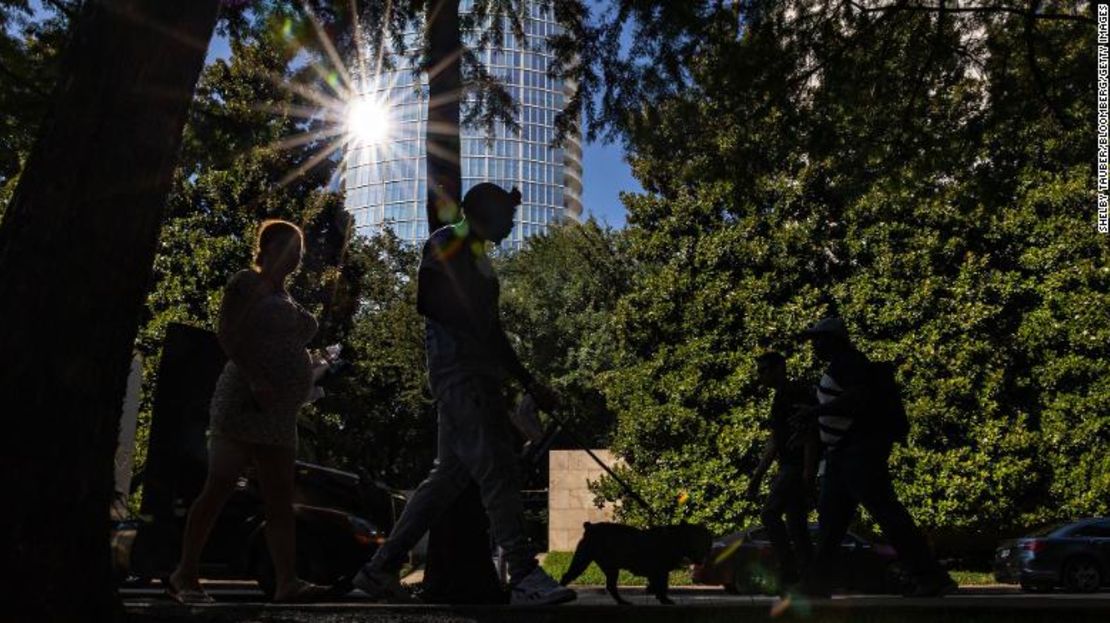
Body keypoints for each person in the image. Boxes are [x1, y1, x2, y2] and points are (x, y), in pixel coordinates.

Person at [353, 183, 576, 606]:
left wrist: (529, 383)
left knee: (446, 480)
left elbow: (494, 332)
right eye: (507, 216)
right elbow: (430, 302)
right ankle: (525, 574)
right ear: (485, 213)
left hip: (472, 376)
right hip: (462, 376)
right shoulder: (447, 242)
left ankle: (378, 570)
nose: (512, 224)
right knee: (498, 470)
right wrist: (482, 335)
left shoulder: (481, 260)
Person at [167, 220, 327, 604]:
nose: (296, 258)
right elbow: (227, 332)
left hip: (279, 411)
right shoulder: (245, 283)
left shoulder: (288, 298)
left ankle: (287, 581)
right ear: (268, 247)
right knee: (220, 484)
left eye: (300, 252)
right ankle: (184, 573)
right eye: (290, 249)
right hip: (245, 398)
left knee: (279, 496)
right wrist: (256, 377)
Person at [794, 317, 956, 598]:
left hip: (858, 454)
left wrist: (814, 413)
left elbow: (857, 398)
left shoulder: (851, 363)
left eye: (819, 339)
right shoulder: (841, 365)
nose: (815, 345)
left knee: (887, 515)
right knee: (831, 525)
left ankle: (930, 576)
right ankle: (816, 583)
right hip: (842, 456)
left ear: (835, 339)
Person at [746, 352, 819, 590]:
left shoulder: (793, 393)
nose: (760, 376)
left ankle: (789, 568)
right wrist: (758, 475)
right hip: (792, 466)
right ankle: (809, 577)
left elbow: (809, 434)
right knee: (796, 524)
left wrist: (808, 472)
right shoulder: (781, 397)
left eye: (764, 370)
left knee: (770, 514)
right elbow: (775, 440)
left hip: (794, 467)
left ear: (779, 368)